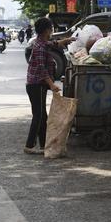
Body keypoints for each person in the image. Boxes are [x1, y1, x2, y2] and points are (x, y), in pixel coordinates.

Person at [24, 18, 75, 154]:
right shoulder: (39, 47)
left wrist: (63, 41)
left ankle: (43, 145)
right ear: (47, 30)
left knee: (42, 116)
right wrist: (52, 85)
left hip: (36, 85)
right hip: (36, 85)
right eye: (51, 28)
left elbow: (51, 44)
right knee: (38, 115)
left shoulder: (41, 43)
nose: (52, 30)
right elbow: (41, 69)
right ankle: (29, 145)